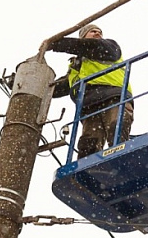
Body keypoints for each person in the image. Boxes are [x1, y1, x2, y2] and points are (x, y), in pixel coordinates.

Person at [49, 23, 134, 158]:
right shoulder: (77, 67)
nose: (97, 33)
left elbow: (90, 46)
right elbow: (56, 88)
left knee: (116, 126)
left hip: (113, 95)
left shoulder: (109, 47)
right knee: (88, 143)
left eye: (99, 31)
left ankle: (121, 159)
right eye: (92, 31)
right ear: (83, 37)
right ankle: (86, 172)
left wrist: (59, 44)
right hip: (90, 105)